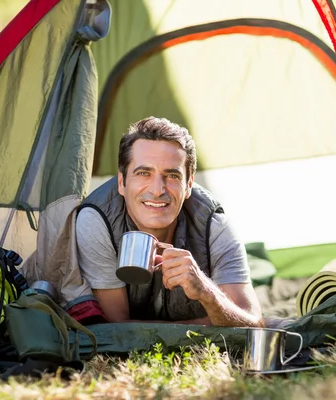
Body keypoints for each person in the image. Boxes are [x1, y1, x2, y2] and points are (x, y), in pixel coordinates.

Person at [75, 117, 263, 327]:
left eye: (172, 175)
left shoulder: (214, 225)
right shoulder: (97, 222)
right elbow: (118, 327)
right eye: (144, 173)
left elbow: (254, 324)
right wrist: (209, 323)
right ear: (121, 182)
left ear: (189, 184)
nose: (157, 190)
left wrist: (207, 293)